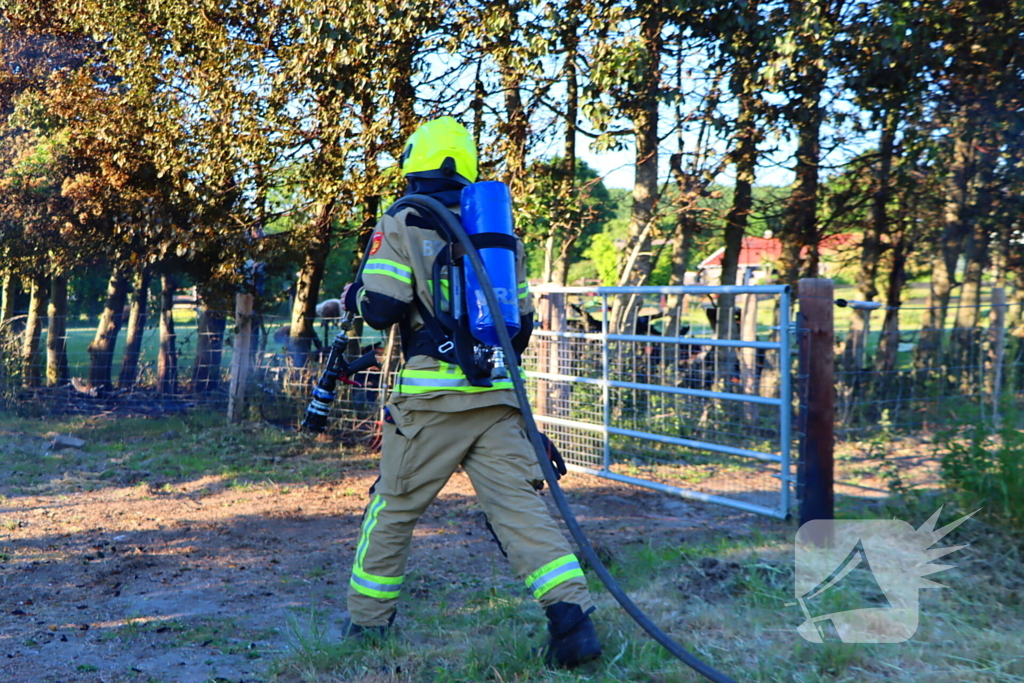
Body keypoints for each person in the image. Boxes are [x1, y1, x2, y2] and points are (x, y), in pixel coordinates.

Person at [338, 116, 602, 668]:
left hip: (432, 405)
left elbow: (381, 307)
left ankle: (367, 624)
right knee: (520, 511)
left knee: (393, 508)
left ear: (414, 161)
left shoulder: (405, 218)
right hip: (500, 400)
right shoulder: (498, 229)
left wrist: (355, 294)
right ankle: (573, 621)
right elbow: (521, 327)